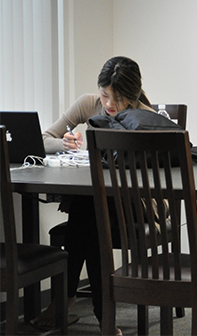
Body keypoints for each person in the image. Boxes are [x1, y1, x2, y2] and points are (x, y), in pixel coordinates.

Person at [32, 56, 155, 335]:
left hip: (137, 205)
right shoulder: (89, 104)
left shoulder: (145, 118)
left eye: (119, 98)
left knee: (85, 213)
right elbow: (43, 138)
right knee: (89, 212)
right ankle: (103, 313)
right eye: (105, 95)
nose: (110, 104)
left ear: (133, 96)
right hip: (97, 203)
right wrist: (62, 142)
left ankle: (65, 299)